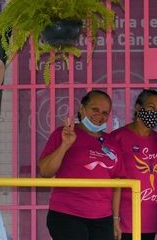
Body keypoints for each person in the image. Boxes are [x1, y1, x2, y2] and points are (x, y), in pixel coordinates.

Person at [38, 90, 120, 240]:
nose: (100, 115)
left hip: (103, 219)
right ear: (82, 109)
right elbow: (45, 171)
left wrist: (115, 219)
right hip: (67, 214)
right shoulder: (63, 134)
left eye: (105, 112)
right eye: (95, 109)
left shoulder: (112, 143)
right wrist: (65, 145)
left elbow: (117, 185)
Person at [110, 89, 157, 240]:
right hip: (124, 219)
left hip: (151, 217)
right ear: (138, 107)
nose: (155, 113)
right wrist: (115, 218)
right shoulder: (118, 137)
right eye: (151, 107)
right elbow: (111, 180)